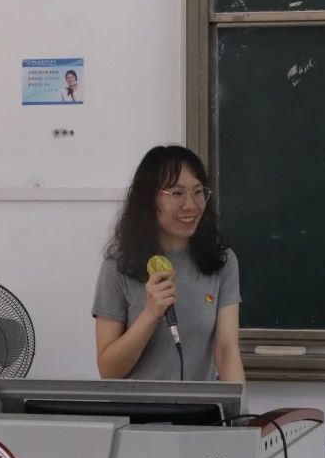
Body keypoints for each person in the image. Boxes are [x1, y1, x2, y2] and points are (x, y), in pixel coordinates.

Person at [92, 145, 244, 382]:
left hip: (201, 406)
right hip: (137, 406)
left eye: (198, 191)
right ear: (149, 200)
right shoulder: (118, 267)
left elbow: (227, 351)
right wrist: (151, 314)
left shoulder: (221, 262)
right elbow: (108, 371)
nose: (191, 205)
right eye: (177, 193)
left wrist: (240, 406)